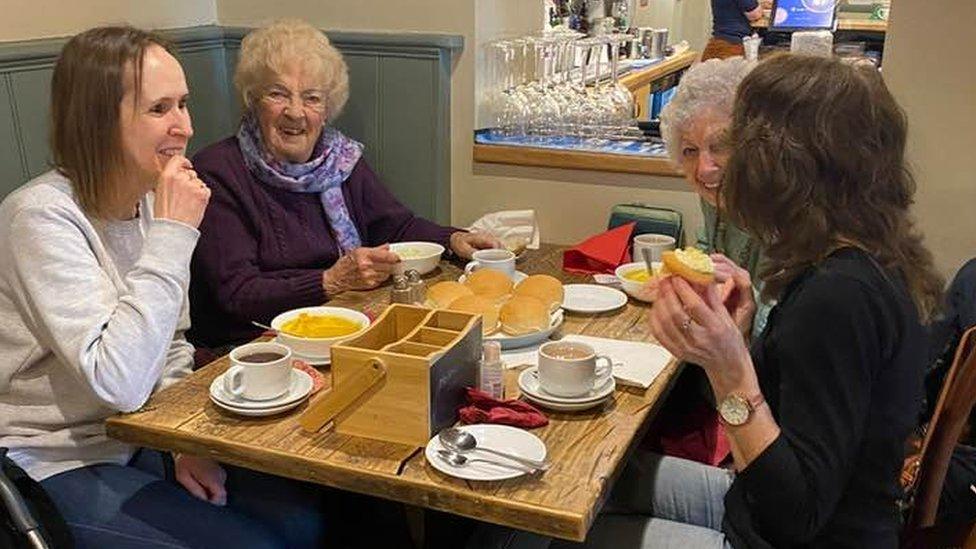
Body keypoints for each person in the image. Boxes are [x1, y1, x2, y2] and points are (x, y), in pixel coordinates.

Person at [0, 26, 325, 548]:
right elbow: (120, 382)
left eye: (184, 104)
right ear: (99, 120)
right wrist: (173, 237)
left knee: (300, 520)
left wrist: (182, 443)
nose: (184, 126)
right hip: (53, 457)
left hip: (139, 437)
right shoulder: (39, 218)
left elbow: (172, 341)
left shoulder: (149, 202)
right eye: (160, 109)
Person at [609, 54, 943, 548]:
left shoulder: (838, 297)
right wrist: (741, 338)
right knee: (609, 477)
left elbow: (792, 516)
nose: (724, 165)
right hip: (764, 505)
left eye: (741, 143)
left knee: (568, 533)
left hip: (791, 532)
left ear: (787, 164)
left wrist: (726, 367)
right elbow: (799, 414)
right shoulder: (869, 255)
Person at [189, 19, 498, 349]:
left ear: (327, 109)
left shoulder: (340, 158)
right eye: (278, 94)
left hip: (341, 324)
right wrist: (329, 281)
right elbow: (237, 294)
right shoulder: (218, 171)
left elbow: (395, 227)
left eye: (311, 98)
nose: (296, 112)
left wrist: (453, 239)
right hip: (254, 348)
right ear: (253, 100)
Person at [659, 56, 770, 339]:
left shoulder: (783, 209)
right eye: (690, 151)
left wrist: (749, 304)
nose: (703, 168)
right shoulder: (716, 194)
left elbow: (796, 325)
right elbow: (712, 248)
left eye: (719, 145)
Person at [702, 0, 769, 61]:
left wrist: (759, 5)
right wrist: (759, 8)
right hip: (734, 44)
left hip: (718, 40)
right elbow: (755, 15)